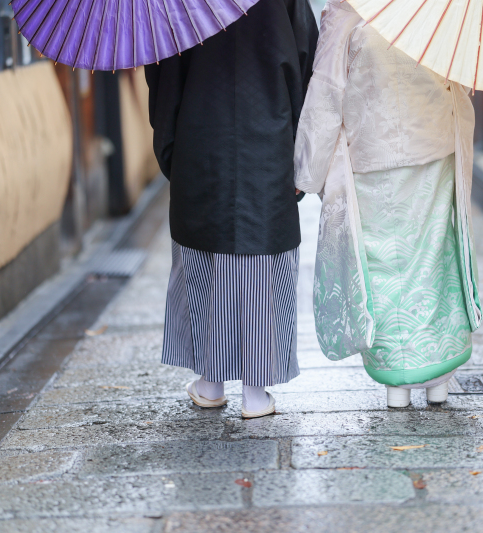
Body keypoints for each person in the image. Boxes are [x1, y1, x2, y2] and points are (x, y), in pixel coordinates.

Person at [294, 0, 482, 408]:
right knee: (435, 261)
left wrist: (306, 170)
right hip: (435, 146)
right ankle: (440, 379)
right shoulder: (438, 8)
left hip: (373, 154)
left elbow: (327, 89)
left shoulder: (347, 11)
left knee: (384, 268)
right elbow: (460, 75)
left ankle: (397, 384)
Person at [145, 0, 318, 418]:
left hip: (200, 140)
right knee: (263, 267)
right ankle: (256, 393)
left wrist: (171, 152)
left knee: (204, 262)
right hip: (269, 139)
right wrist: (300, 154)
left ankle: (209, 382)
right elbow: (307, 61)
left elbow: (163, 71)